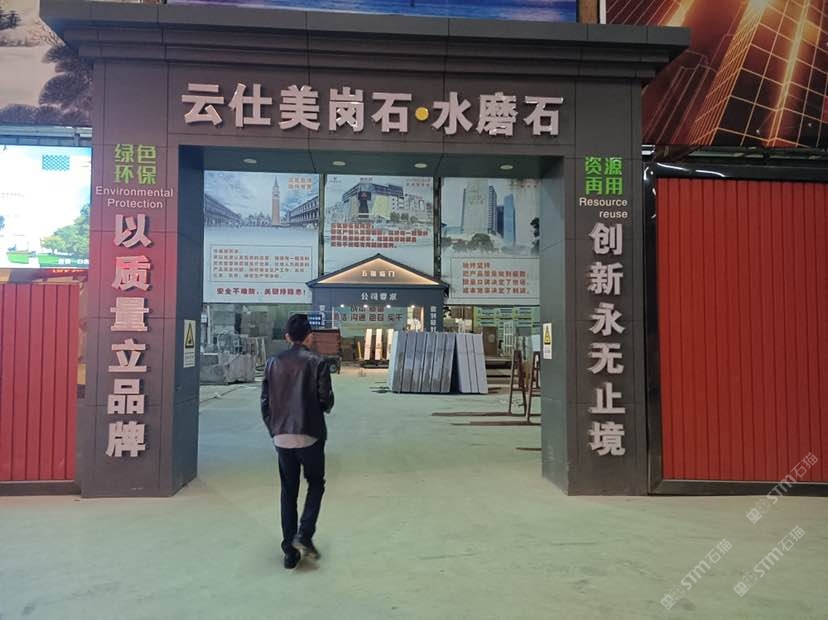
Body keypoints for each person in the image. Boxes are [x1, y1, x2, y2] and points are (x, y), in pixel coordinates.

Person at [261, 313, 335, 569]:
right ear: (310, 336)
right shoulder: (318, 362)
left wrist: (274, 429)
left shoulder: (272, 362)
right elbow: (326, 401)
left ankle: (289, 552)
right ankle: (304, 533)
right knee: (315, 483)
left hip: (281, 436)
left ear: (287, 337)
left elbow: (265, 403)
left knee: (288, 491)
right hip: (310, 433)